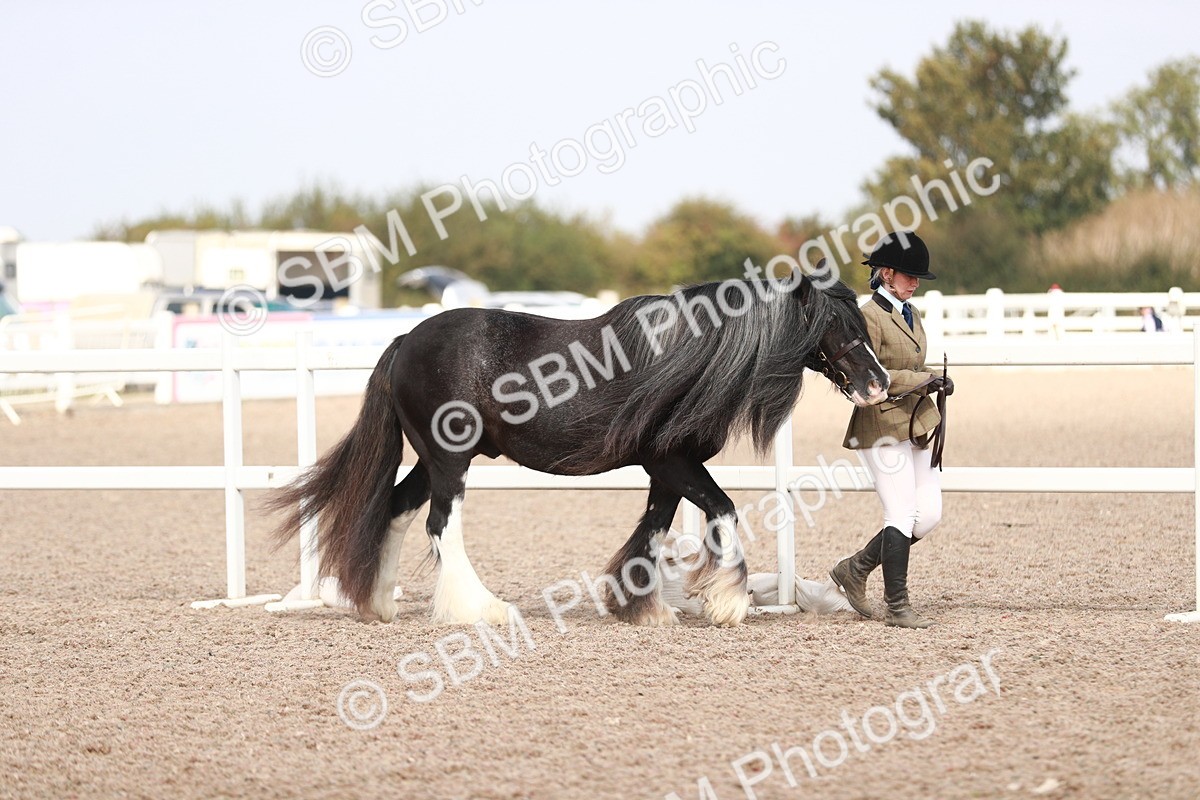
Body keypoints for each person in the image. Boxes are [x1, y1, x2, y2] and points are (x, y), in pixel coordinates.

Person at [829, 230, 952, 629]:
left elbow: (912, 364)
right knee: (900, 512)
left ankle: (856, 567)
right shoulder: (868, 316)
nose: (914, 283)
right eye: (908, 276)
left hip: (915, 421)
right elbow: (872, 372)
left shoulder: (910, 312)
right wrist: (924, 380)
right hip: (880, 422)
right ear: (886, 273)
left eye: (917, 277)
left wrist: (933, 380)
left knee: (928, 515)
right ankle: (897, 605)